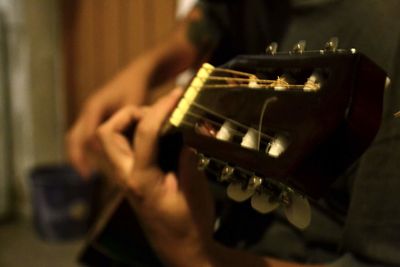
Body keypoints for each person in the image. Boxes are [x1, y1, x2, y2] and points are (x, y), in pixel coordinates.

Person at [67, 0, 400, 266]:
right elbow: (209, 19)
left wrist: (196, 255)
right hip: (225, 219)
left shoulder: (388, 33)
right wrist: (147, 68)